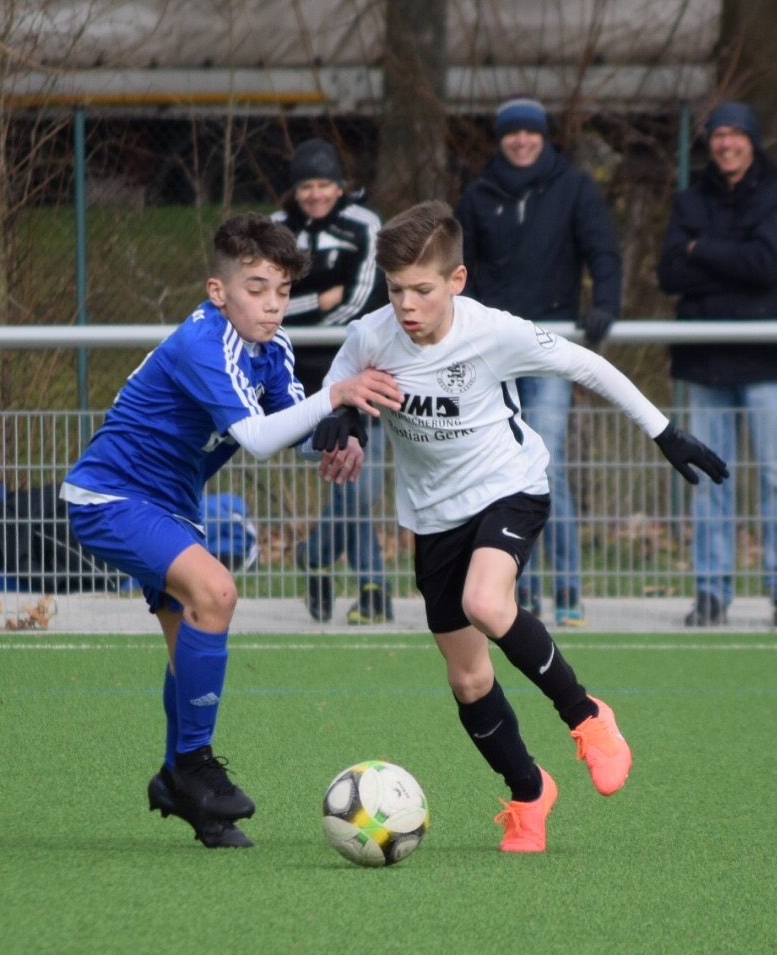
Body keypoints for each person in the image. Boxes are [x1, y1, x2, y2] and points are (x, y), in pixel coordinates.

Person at [315, 202, 725, 852]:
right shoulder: (371, 334)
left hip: (509, 487)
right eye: (395, 290)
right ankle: (530, 793)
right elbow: (337, 386)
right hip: (432, 516)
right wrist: (345, 423)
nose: (407, 305)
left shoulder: (494, 331)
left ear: (457, 280)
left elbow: (586, 365)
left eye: (422, 289)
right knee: (468, 680)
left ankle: (587, 717)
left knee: (486, 602)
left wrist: (664, 432)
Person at [61, 213, 403, 849]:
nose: (272, 305)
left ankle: (178, 783)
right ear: (218, 292)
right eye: (256, 288)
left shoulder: (272, 348)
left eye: (282, 291)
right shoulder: (204, 342)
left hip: (171, 508)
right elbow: (257, 438)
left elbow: (290, 424)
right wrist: (335, 396)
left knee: (189, 646)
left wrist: (336, 436)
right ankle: (194, 766)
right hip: (111, 497)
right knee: (217, 592)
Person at [456, 96, 623, 627]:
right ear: (500, 138)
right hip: (493, 353)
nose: (522, 140)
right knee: (501, 470)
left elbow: (602, 251)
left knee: (545, 465)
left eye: (531, 132)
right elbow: (457, 267)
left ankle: (568, 588)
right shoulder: (479, 194)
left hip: (549, 347)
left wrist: (605, 305)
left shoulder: (574, 188)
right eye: (512, 133)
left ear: (544, 136)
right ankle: (512, 590)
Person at [657, 101, 777, 627]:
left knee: (775, 478)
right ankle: (710, 593)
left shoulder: (773, 193)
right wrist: (736, 262)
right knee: (708, 481)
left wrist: (700, 250)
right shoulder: (691, 199)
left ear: (751, 139)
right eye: (719, 134)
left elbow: (766, 265)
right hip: (706, 362)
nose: (726, 143)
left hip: (766, 361)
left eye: (735, 133)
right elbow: (669, 273)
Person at [273, 138, 394, 625]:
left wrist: (311, 312)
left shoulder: (365, 224)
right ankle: (373, 590)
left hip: (360, 371)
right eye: (307, 186)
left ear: (340, 186)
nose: (316, 194)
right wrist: (319, 303)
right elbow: (268, 305)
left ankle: (316, 556)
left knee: (360, 486)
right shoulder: (277, 229)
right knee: (347, 480)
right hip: (300, 380)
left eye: (325, 184)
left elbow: (363, 302)